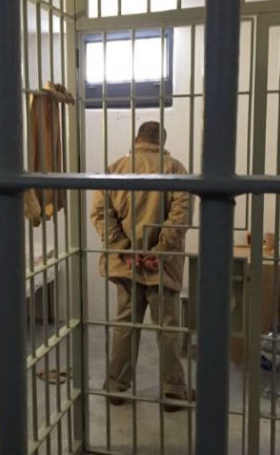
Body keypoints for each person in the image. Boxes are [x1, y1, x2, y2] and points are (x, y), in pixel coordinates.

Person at [90, 121, 196, 412]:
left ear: (137, 138)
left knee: (126, 324)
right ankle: (173, 391)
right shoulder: (175, 169)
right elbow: (180, 217)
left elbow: (99, 213)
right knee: (168, 329)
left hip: (126, 265)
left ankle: (116, 386)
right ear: (162, 142)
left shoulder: (115, 169)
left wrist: (125, 249)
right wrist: (159, 252)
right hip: (163, 267)